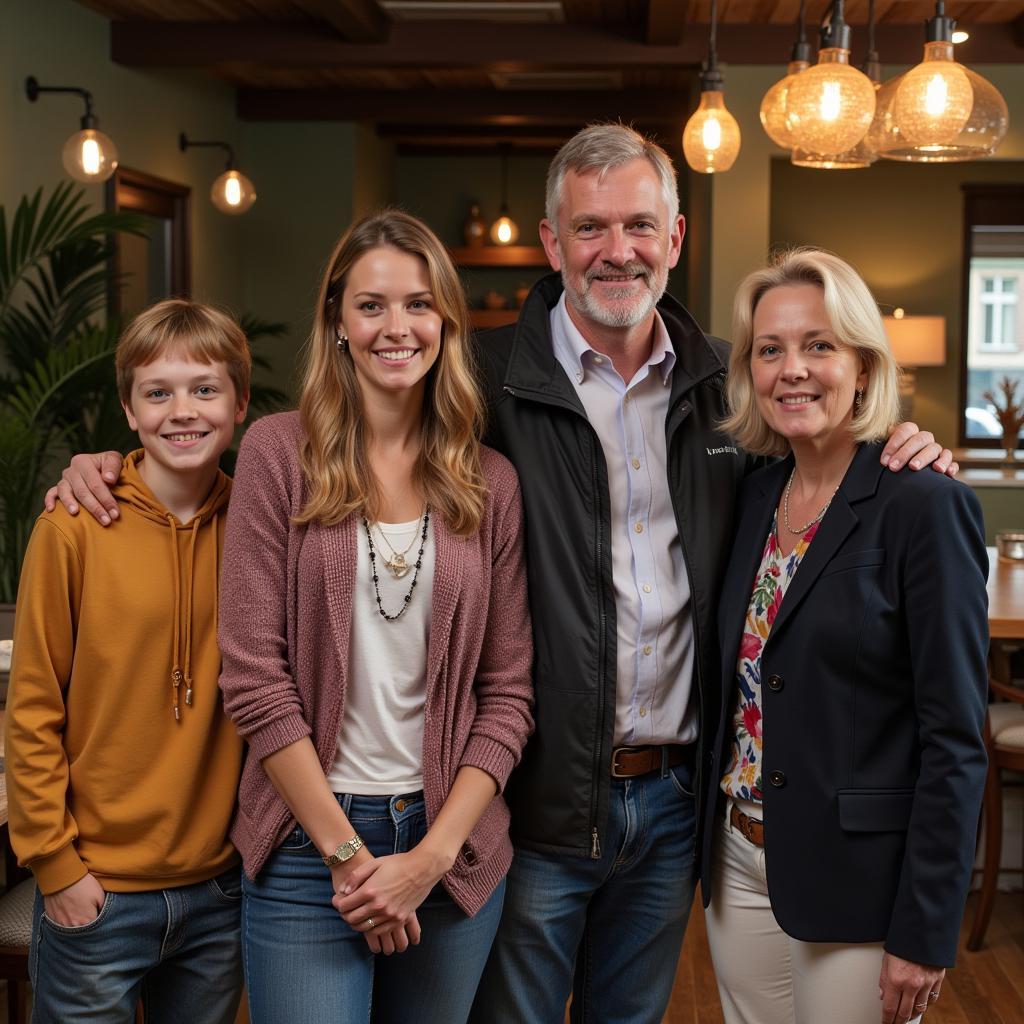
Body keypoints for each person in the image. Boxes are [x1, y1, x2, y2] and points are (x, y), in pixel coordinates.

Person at [47, 125, 955, 1024]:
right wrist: (116, 468)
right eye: (590, 228)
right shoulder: (480, 381)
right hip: (537, 801)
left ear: (675, 239)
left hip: (674, 797)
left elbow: (820, 454)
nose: (617, 251)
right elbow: (283, 508)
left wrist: (899, 447)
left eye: (640, 225)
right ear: (553, 243)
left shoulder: (731, 388)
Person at [214, 209, 533, 1023]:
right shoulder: (276, 454)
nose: (398, 327)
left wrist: (428, 859)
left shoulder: (488, 481)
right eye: (372, 305)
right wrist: (349, 856)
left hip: (449, 846)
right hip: (302, 846)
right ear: (338, 321)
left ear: (447, 323)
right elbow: (253, 677)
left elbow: (508, 695)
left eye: (420, 304)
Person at [699, 249, 988, 1024]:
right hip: (739, 864)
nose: (792, 369)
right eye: (770, 350)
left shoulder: (922, 504)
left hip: (860, 877)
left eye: (819, 345)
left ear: (863, 366)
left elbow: (956, 738)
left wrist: (925, 929)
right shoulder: (753, 496)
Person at [6, 299, 251, 1023]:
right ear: (129, 408)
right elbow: (32, 707)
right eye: (158, 392)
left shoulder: (262, 527)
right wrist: (57, 867)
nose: (184, 411)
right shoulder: (73, 525)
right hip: (97, 890)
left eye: (206, 389)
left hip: (220, 893)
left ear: (239, 403)